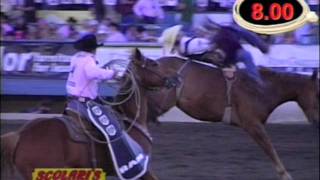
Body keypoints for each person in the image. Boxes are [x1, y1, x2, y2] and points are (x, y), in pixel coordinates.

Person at [158, 24, 269, 83]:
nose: (180, 33)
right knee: (243, 50)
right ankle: (257, 81)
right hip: (222, 54)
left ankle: (259, 47)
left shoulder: (183, 48)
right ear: (176, 38)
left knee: (233, 31)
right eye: (177, 34)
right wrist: (212, 34)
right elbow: (210, 45)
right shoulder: (188, 44)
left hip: (218, 58)